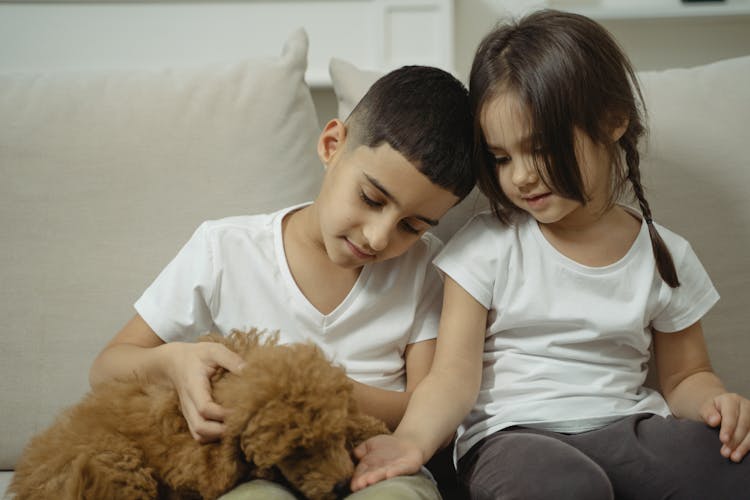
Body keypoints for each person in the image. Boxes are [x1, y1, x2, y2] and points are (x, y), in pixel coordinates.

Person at [351, 9, 750, 499]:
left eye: (539, 148)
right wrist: (411, 440)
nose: (520, 177)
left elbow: (687, 374)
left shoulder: (664, 253)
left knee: (731, 466)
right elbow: (453, 376)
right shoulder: (486, 247)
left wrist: (715, 403)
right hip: (515, 438)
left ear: (612, 121)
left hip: (630, 426)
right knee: (565, 486)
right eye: (501, 158)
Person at [88, 64, 475, 499]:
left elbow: (427, 413)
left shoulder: (426, 270)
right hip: (257, 471)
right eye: (370, 199)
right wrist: (174, 364)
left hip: (380, 465)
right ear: (332, 146)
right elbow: (107, 369)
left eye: (412, 226)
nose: (379, 236)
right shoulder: (225, 248)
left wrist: (314, 388)